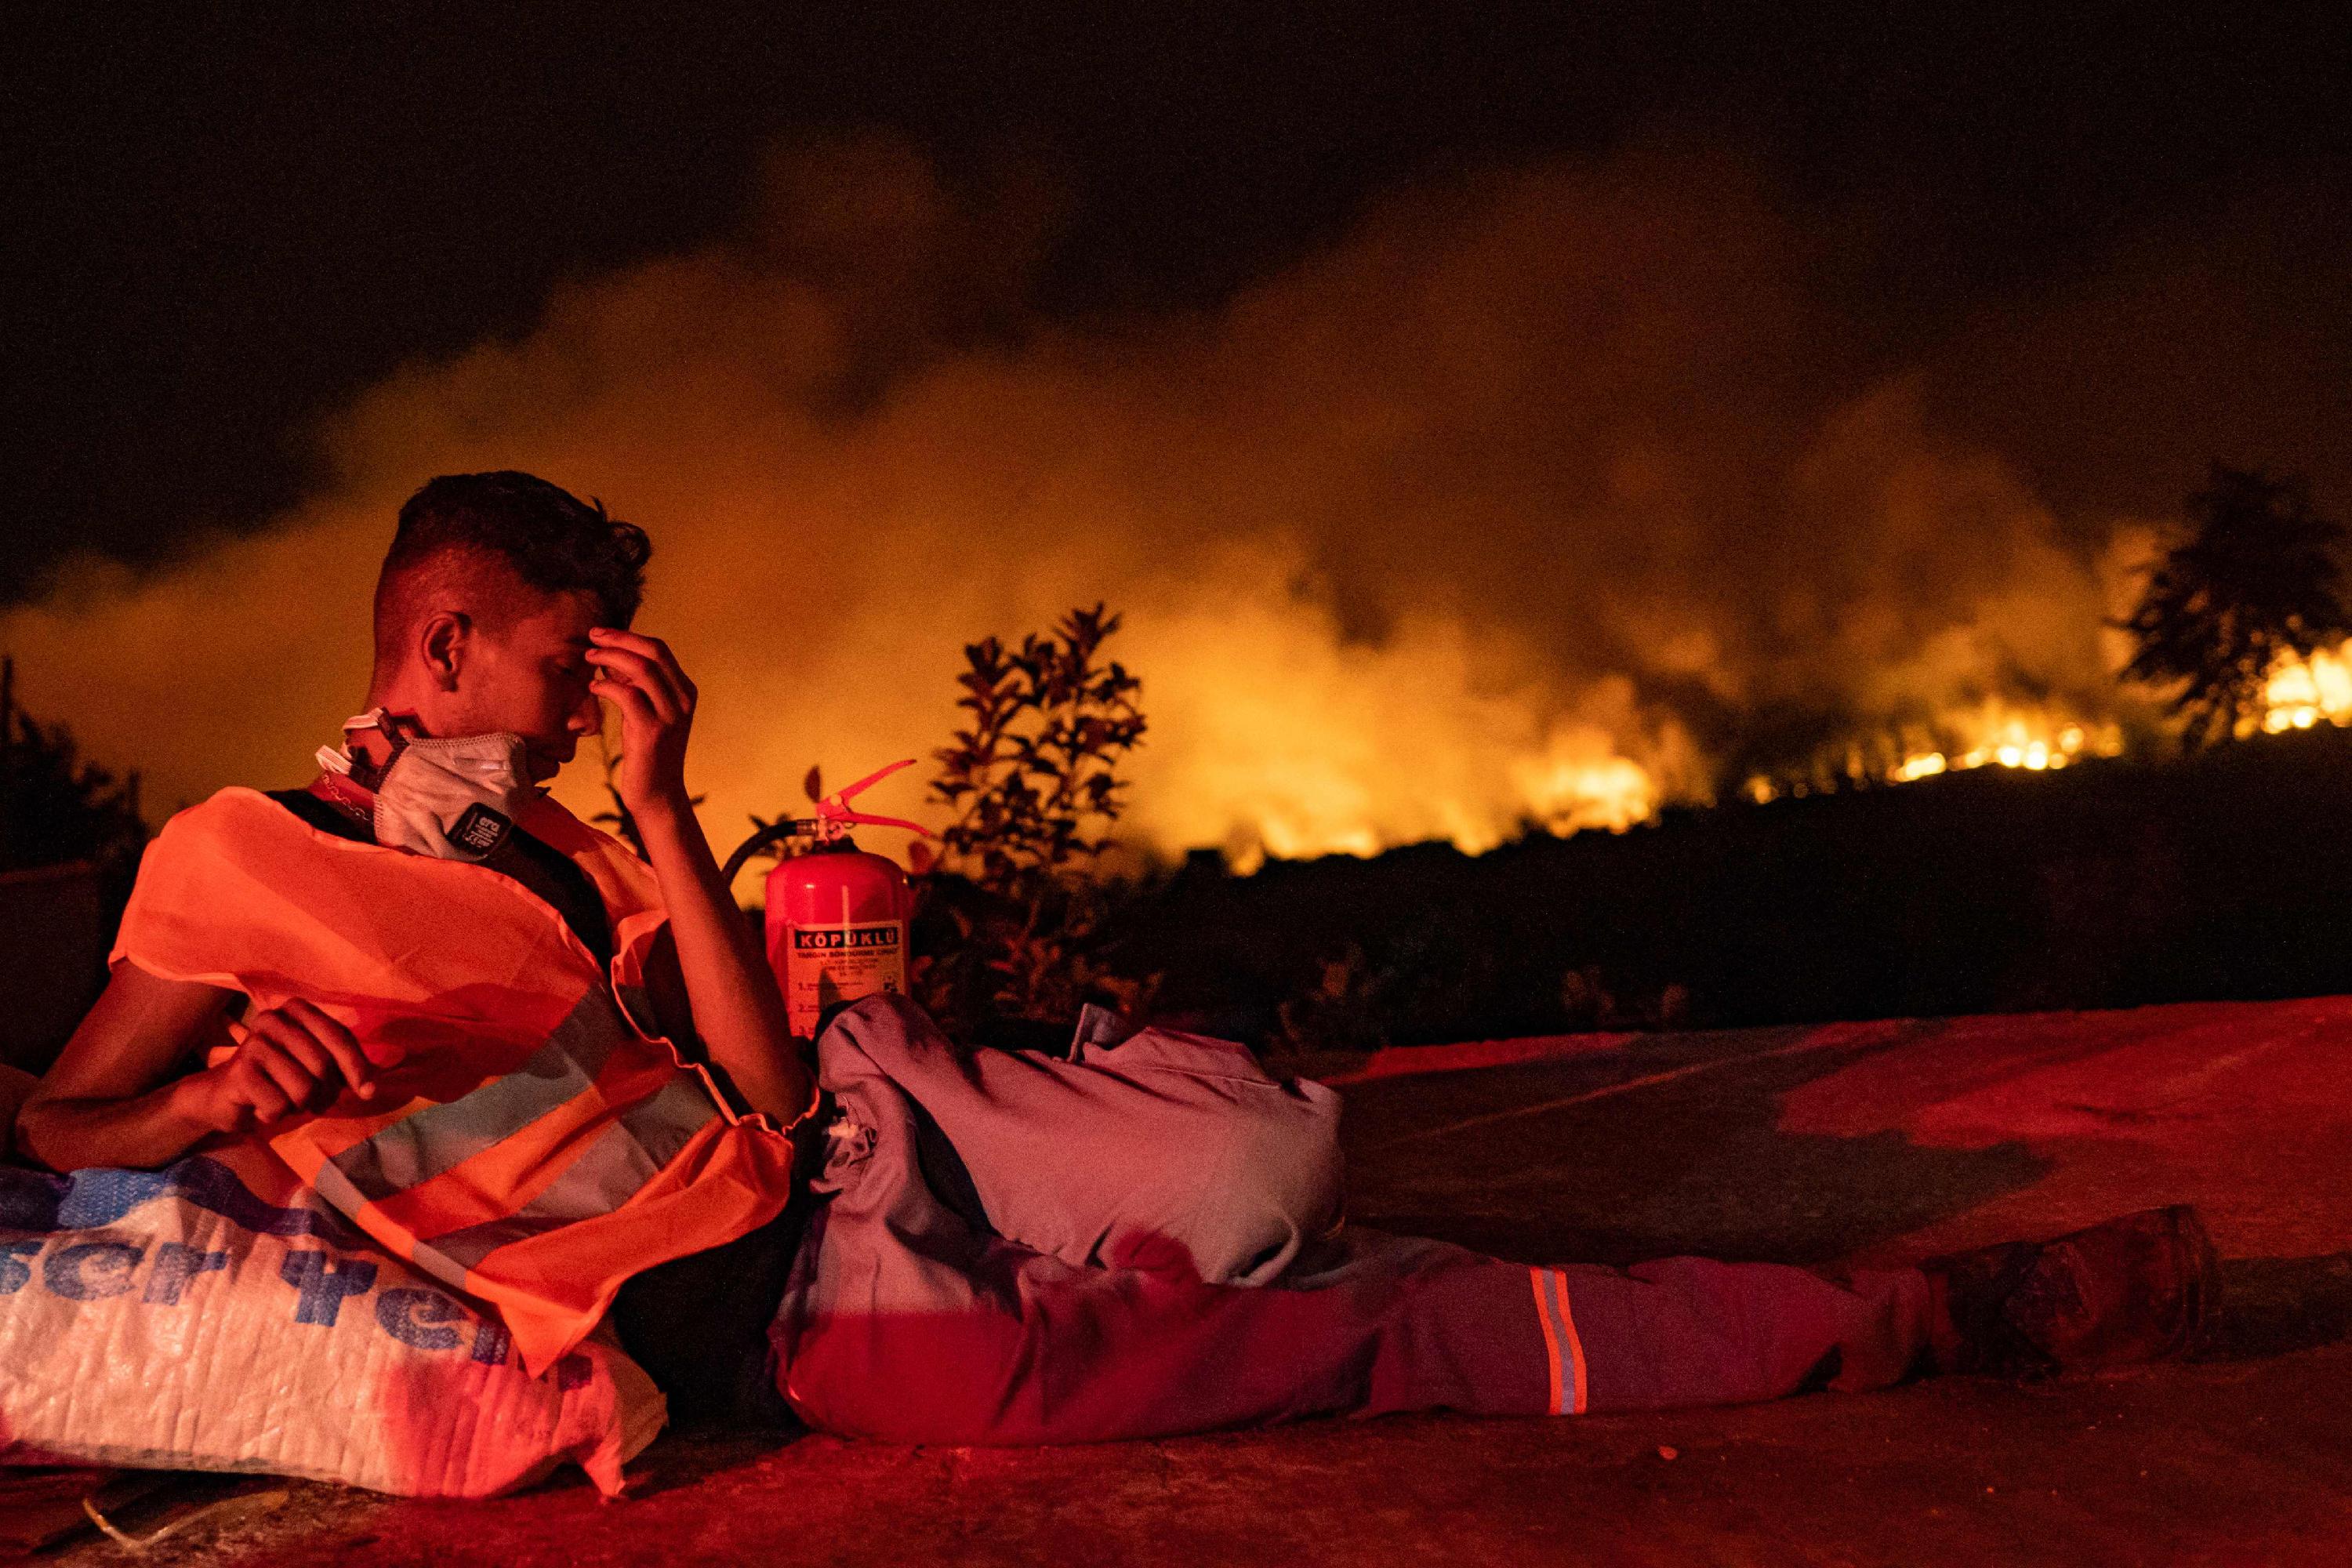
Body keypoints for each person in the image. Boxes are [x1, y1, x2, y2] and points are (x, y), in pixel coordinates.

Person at [16, 471, 2222, 1444]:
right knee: (1351, 1331)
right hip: (794, 1315)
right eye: (570, 675)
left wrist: (670, 819)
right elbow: (45, 1118)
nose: (593, 713)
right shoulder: (232, 859)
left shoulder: (580, 854)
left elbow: (772, 1094)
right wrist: (202, 1108)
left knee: (1283, 1169)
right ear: (438, 645)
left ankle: (1132, 1114)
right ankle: (1944, 1321)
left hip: (850, 1138)